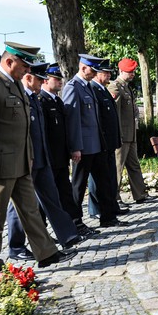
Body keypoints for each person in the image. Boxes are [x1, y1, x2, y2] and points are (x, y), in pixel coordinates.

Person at [0, 41, 75, 268]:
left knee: (30, 211)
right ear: (9, 61)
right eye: (24, 66)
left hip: (22, 162)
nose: (28, 71)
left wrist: (30, 156)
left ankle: (47, 254)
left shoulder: (14, 84)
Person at [5, 62, 84, 261]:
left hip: (42, 158)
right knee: (19, 207)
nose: (43, 82)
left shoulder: (33, 98)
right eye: (40, 79)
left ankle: (67, 236)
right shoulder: (19, 96)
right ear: (28, 78)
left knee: (53, 198)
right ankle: (16, 247)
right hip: (26, 161)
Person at [63, 54, 123, 228]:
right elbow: (72, 121)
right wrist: (75, 147)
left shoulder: (87, 86)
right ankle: (75, 222)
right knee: (79, 186)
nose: (94, 73)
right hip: (83, 147)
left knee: (104, 182)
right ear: (83, 68)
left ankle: (108, 217)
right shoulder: (73, 87)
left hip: (97, 145)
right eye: (92, 70)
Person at [39, 65, 98, 238]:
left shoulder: (56, 101)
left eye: (60, 79)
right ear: (45, 80)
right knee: (45, 199)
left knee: (65, 194)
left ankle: (76, 225)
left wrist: (72, 148)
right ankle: (42, 234)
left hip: (61, 157)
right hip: (50, 159)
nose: (60, 82)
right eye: (56, 79)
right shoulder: (41, 102)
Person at [108, 58, 151, 205]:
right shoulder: (115, 87)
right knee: (117, 167)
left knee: (134, 165)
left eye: (133, 71)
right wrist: (117, 134)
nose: (132, 74)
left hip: (130, 135)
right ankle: (115, 198)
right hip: (121, 135)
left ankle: (140, 194)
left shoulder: (126, 87)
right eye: (129, 71)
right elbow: (115, 114)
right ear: (121, 71)